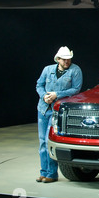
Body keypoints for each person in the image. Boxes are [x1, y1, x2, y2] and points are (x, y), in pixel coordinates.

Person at [35, 46, 83, 183]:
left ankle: (51, 173)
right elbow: (39, 85)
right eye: (64, 59)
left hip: (58, 110)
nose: (67, 61)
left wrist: (57, 95)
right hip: (44, 108)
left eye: (69, 59)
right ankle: (43, 172)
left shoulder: (75, 70)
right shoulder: (47, 70)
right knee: (42, 143)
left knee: (49, 140)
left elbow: (76, 89)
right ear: (58, 59)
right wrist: (44, 96)